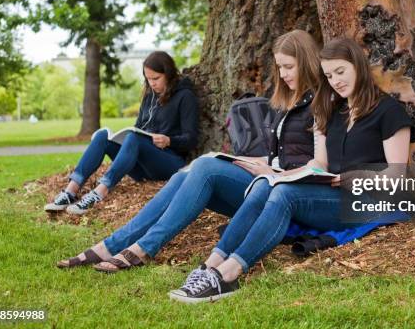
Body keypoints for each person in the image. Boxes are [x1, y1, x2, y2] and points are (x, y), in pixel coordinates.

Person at [171, 37, 415, 303]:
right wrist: (277, 175)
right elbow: (319, 164)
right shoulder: (334, 111)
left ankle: (229, 275)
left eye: (340, 71)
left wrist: (357, 177)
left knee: (285, 195)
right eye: (329, 75)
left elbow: (396, 177)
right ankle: (211, 266)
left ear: (358, 66)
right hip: (331, 194)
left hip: (368, 201)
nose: (335, 80)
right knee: (269, 185)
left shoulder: (389, 112)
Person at [56, 29, 323, 271]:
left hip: (287, 193)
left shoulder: (322, 102)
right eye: (280, 68)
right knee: (191, 171)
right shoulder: (288, 100)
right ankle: (111, 245)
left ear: (307, 62)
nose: (284, 74)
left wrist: (274, 171)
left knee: (205, 167)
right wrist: (242, 160)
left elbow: (321, 165)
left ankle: (141, 249)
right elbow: (280, 156)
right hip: (269, 180)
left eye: (289, 67)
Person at [44, 51, 199, 215]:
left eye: (156, 79)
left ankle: (99, 192)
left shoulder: (185, 96)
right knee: (103, 136)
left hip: (169, 162)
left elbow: (191, 139)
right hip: (142, 166)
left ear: (168, 75)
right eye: (148, 79)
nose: (151, 84)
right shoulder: (149, 96)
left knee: (134, 137)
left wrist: (169, 140)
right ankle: (70, 191)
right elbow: (139, 127)